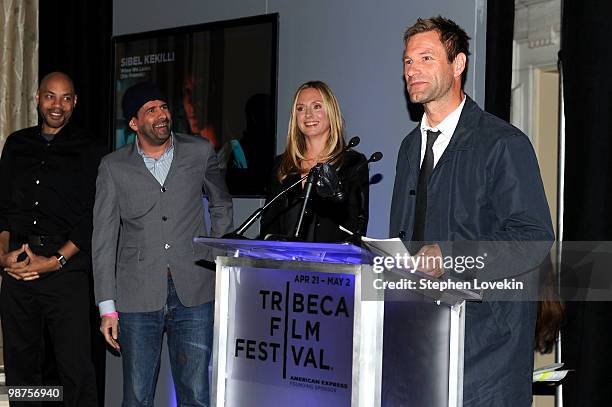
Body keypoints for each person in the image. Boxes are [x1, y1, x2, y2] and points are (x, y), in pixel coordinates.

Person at [389, 17, 554, 406]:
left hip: (486, 354)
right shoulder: (409, 149)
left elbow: (533, 237)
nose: (412, 70)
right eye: (408, 62)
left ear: (458, 64)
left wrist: (448, 255)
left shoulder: (503, 144)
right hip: (421, 342)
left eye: (425, 58)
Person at [92, 82, 233, 406]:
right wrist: (107, 308)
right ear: (133, 123)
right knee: (138, 396)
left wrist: (216, 257)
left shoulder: (199, 151)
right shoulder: (113, 167)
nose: (161, 115)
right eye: (150, 110)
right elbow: (103, 238)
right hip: (136, 295)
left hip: (194, 291)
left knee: (195, 394)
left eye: (164, 107)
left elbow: (221, 203)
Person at [0, 72, 102, 406]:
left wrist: (55, 260)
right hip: (19, 267)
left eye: (66, 98)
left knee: (75, 371)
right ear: (37, 98)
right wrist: (3, 255)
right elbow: (3, 207)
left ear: (75, 103)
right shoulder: (16, 144)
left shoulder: (90, 149)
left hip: (66, 270)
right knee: (21, 372)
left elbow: (92, 216)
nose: (57, 105)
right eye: (50, 96)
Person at [260, 81, 369, 242]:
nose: (308, 115)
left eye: (316, 106)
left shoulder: (352, 163)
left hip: (331, 263)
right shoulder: (282, 165)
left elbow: (354, 224)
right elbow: (269, 223)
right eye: (301, 108)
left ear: (331, 112)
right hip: (284, 263)